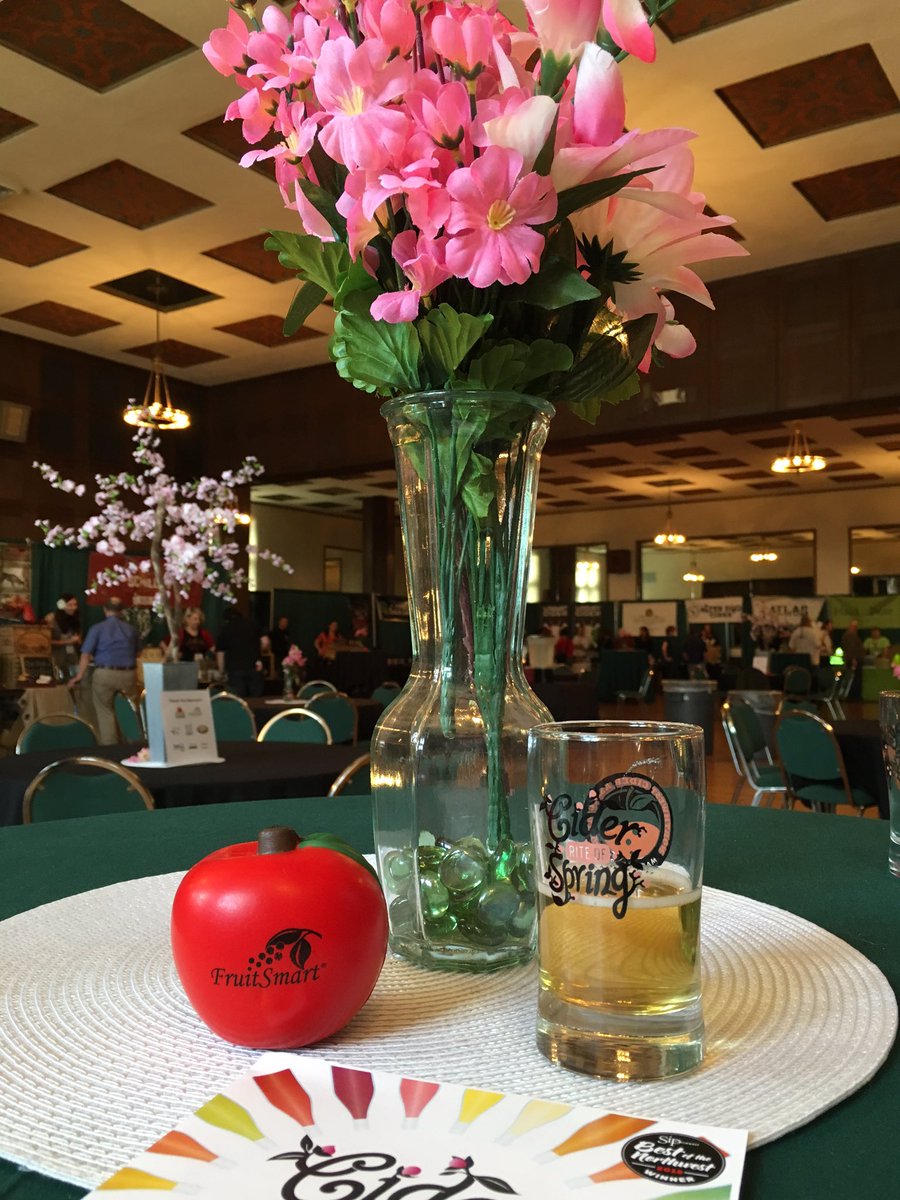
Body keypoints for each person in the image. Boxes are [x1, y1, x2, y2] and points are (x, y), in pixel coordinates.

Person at [68, 596, 141, 744]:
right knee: (129, 711)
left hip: (104, 674)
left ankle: (110, 749)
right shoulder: (131, 630)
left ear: (105, 610)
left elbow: (86, 654)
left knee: (105, 712)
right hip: (128, 674)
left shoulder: (97, 629)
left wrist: (79, 675)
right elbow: (138, 652)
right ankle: (134, 746)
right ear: (121, 612)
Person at [216, 607, 266, 697]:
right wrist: (257, 650)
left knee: (238, 699)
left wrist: (221, 672)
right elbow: (265, 642)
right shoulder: (253, 624)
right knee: (256, 699)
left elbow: (220, 653)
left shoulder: (225, 629)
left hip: (235, 669)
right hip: (254, 666)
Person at [49, 593, 82, 677]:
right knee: (58, 682)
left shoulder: (75, 619)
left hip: (73, 658)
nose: (74, 608)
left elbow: (78, 639)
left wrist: (78, 640)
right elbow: (46, 642)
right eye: (70, 605)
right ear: (61, 606)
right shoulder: (51, 619)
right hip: (57, 659)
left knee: (75, 679)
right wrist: (68, 641)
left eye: (75, 605)